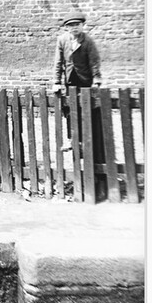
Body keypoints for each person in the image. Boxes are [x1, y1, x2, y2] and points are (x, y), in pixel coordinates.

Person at [52, 12, 104, 186]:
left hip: (85, 81)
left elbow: (94, 61)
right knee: (68, 110)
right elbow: (58, 63)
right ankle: (72, 139)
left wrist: (96, 79)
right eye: (71, 25)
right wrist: (56, 82)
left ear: (82, 26)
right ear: (67, 27)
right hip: (69, 81)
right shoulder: (62, 40)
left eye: (77, 24)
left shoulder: (87, 41)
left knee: (86, 110)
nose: (74, 27)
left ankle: (85, 139)